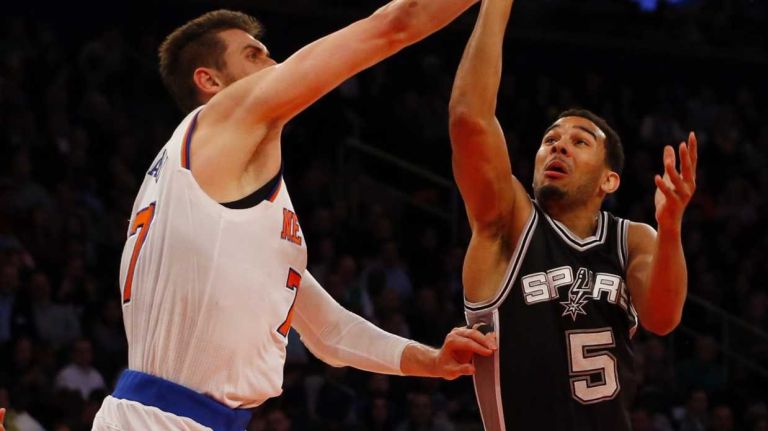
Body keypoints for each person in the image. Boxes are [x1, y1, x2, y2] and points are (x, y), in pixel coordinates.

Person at [92, 3, 498, 430]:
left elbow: (330, 333)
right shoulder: (220, 121)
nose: (275, 64)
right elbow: (394, 25)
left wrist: (432, 361)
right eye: (253, 55)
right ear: (209, 81)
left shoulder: (221, 200)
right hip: (164, 418)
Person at [447, 0, 697, 429]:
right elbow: (469, 119)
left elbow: (662, 317)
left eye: (580, 141)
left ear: (609, 180)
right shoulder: (508, 225)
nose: (558, 146)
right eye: (550, 139)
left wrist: (670, 228)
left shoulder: (631, 239)